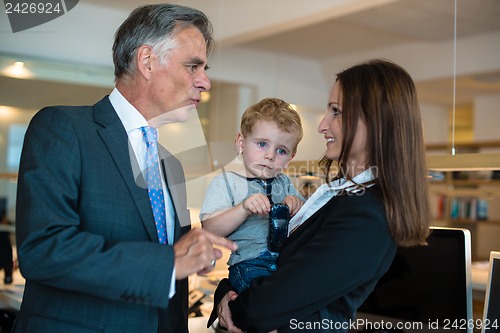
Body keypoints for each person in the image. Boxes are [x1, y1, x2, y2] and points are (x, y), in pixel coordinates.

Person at [14, 4, 236, 333]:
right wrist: (168, 263)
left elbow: (173, 264)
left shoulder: (169, 165)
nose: (205, 82)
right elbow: (44, 249)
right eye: (193, 67)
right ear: (147, 61)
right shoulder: (63, 128)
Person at [209, 59, 432, 332]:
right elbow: (277, 273)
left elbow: (268, 306)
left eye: (336, 112)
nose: (322, 125)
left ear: (374, 121)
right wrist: (225, 292)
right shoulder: (340, 196)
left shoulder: (366, 214)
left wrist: (230, 302)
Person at [200, 98, 305, 293]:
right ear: (241, 142)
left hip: (285, 264)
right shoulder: (226, 182)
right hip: (249, 266)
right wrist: (243, 209)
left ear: (291, 157)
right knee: (266, 304)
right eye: (262, 144)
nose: (270, 156)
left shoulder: (285, 184)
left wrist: (297, 205)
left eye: (281, 150)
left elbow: (308, 222)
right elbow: (210, 229)